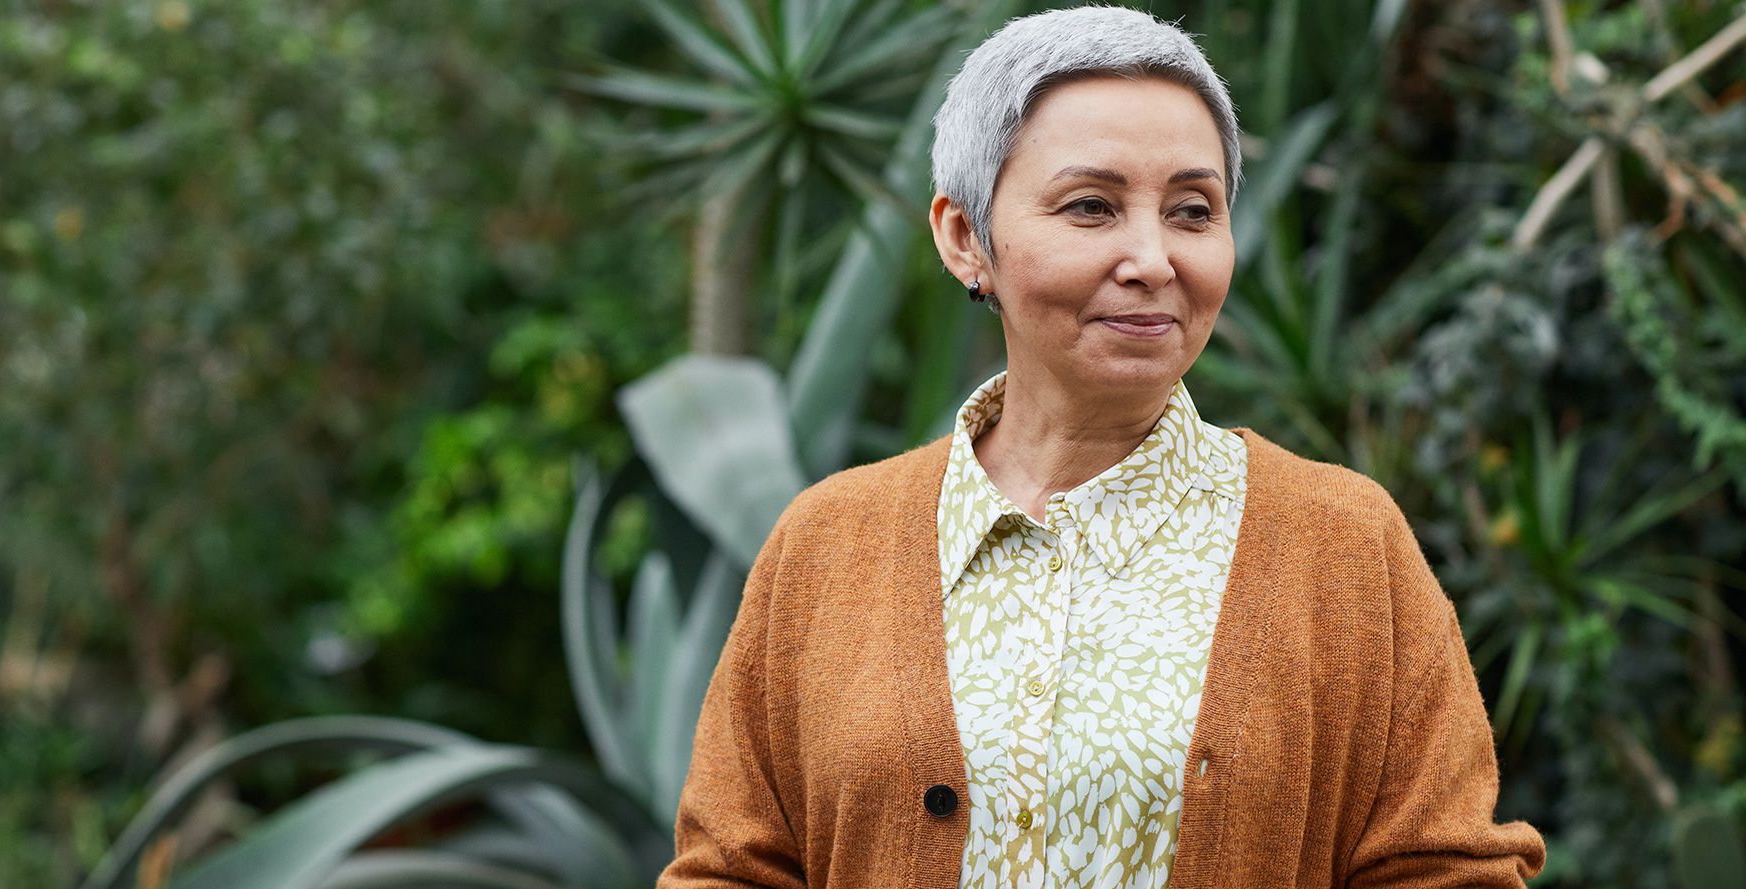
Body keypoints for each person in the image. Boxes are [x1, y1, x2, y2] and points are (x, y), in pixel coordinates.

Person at [658, 5, 1546, 887]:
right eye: (1092, 206)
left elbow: (1447, 869)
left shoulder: (1344, 547)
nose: (1153, 258)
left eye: (1193, 211)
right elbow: (730, 868)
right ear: (965, 237)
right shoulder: (825, 546)